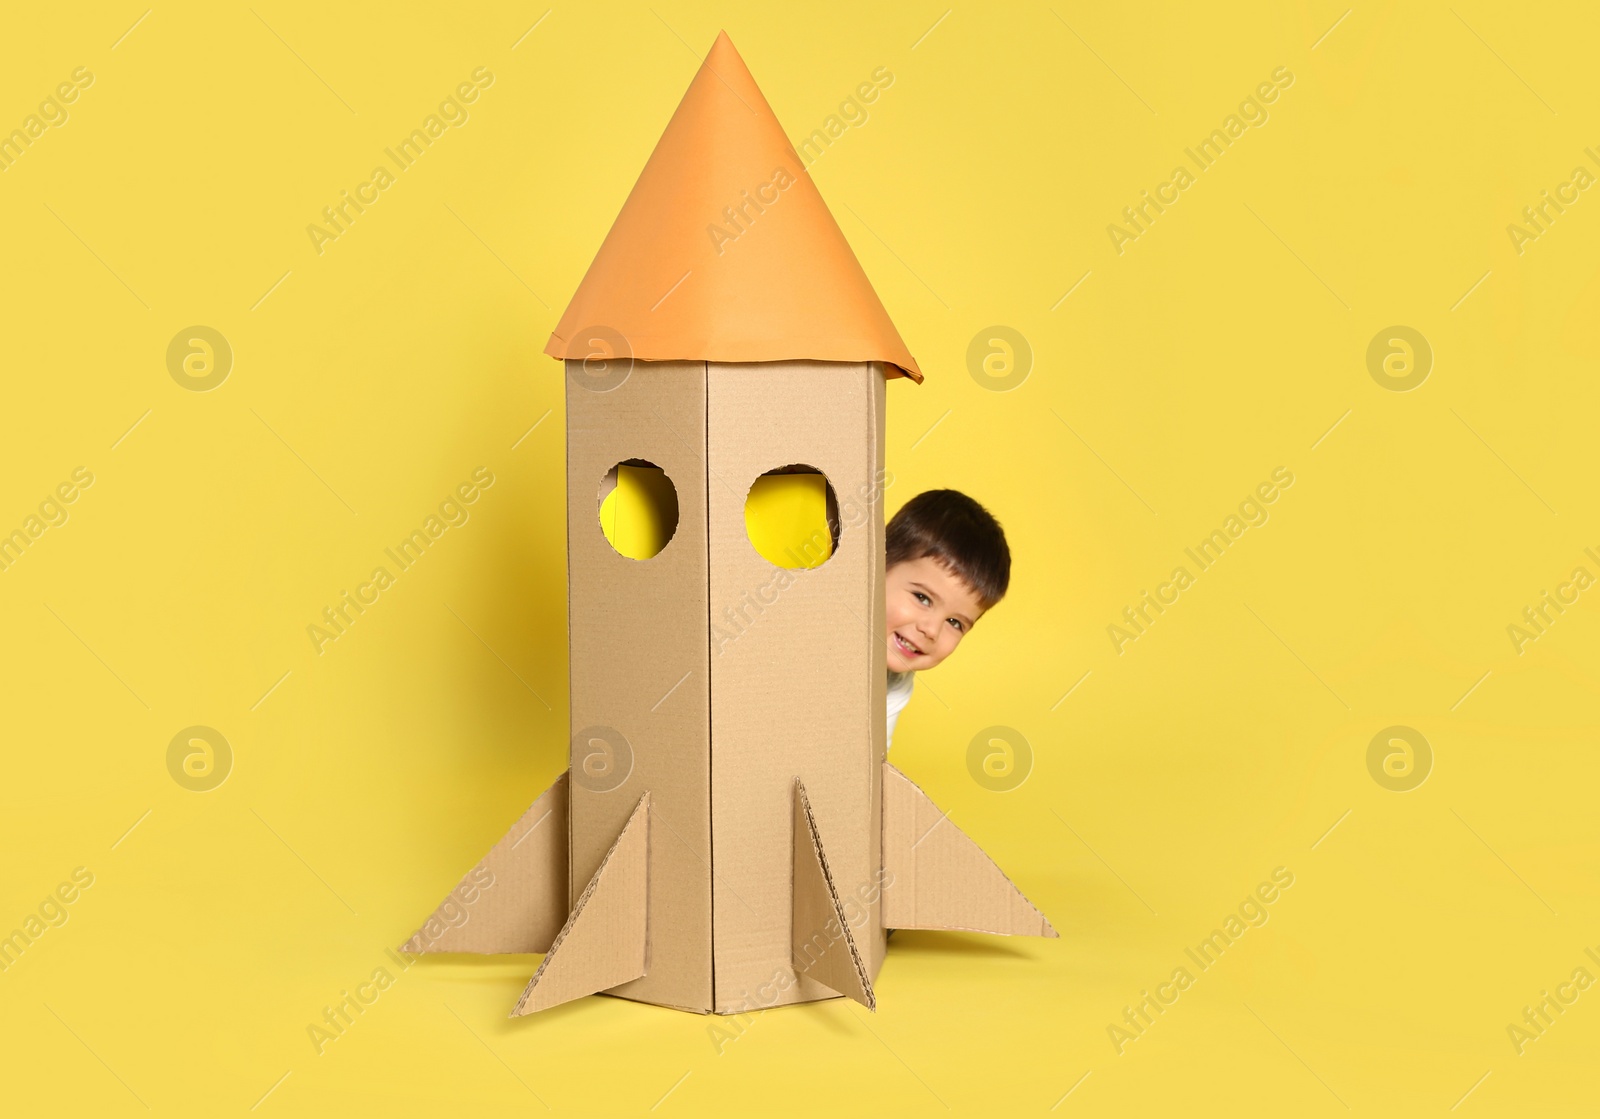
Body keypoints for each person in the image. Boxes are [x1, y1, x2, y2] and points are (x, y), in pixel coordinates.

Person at [884, 489, 1011, 752]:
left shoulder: (895, 685)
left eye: (955, 622)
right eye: (923, 598)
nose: (930, 630)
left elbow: (869, 765)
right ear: (875, 565)